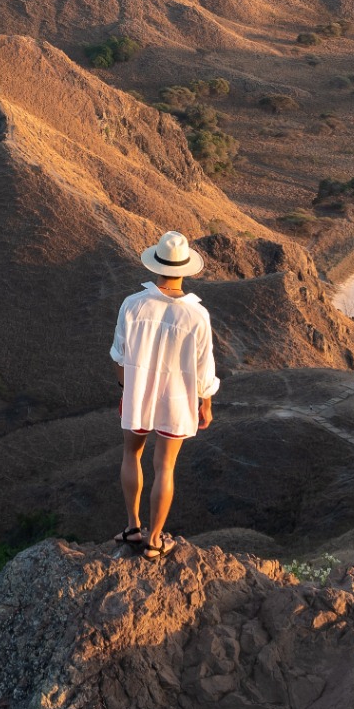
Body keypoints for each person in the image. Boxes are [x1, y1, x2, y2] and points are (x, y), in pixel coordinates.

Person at [110, 229, 219, 558]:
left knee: (132, 456)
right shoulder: (197, 315)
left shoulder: (132, 305)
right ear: (185, 270)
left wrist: (125, 391)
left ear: (155, 266)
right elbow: (204, 369)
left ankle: (132, 527)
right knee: (165, 467)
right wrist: (206, 403)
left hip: (138, 393)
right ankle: (155, 540)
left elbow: (118, 357)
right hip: (176, 400)